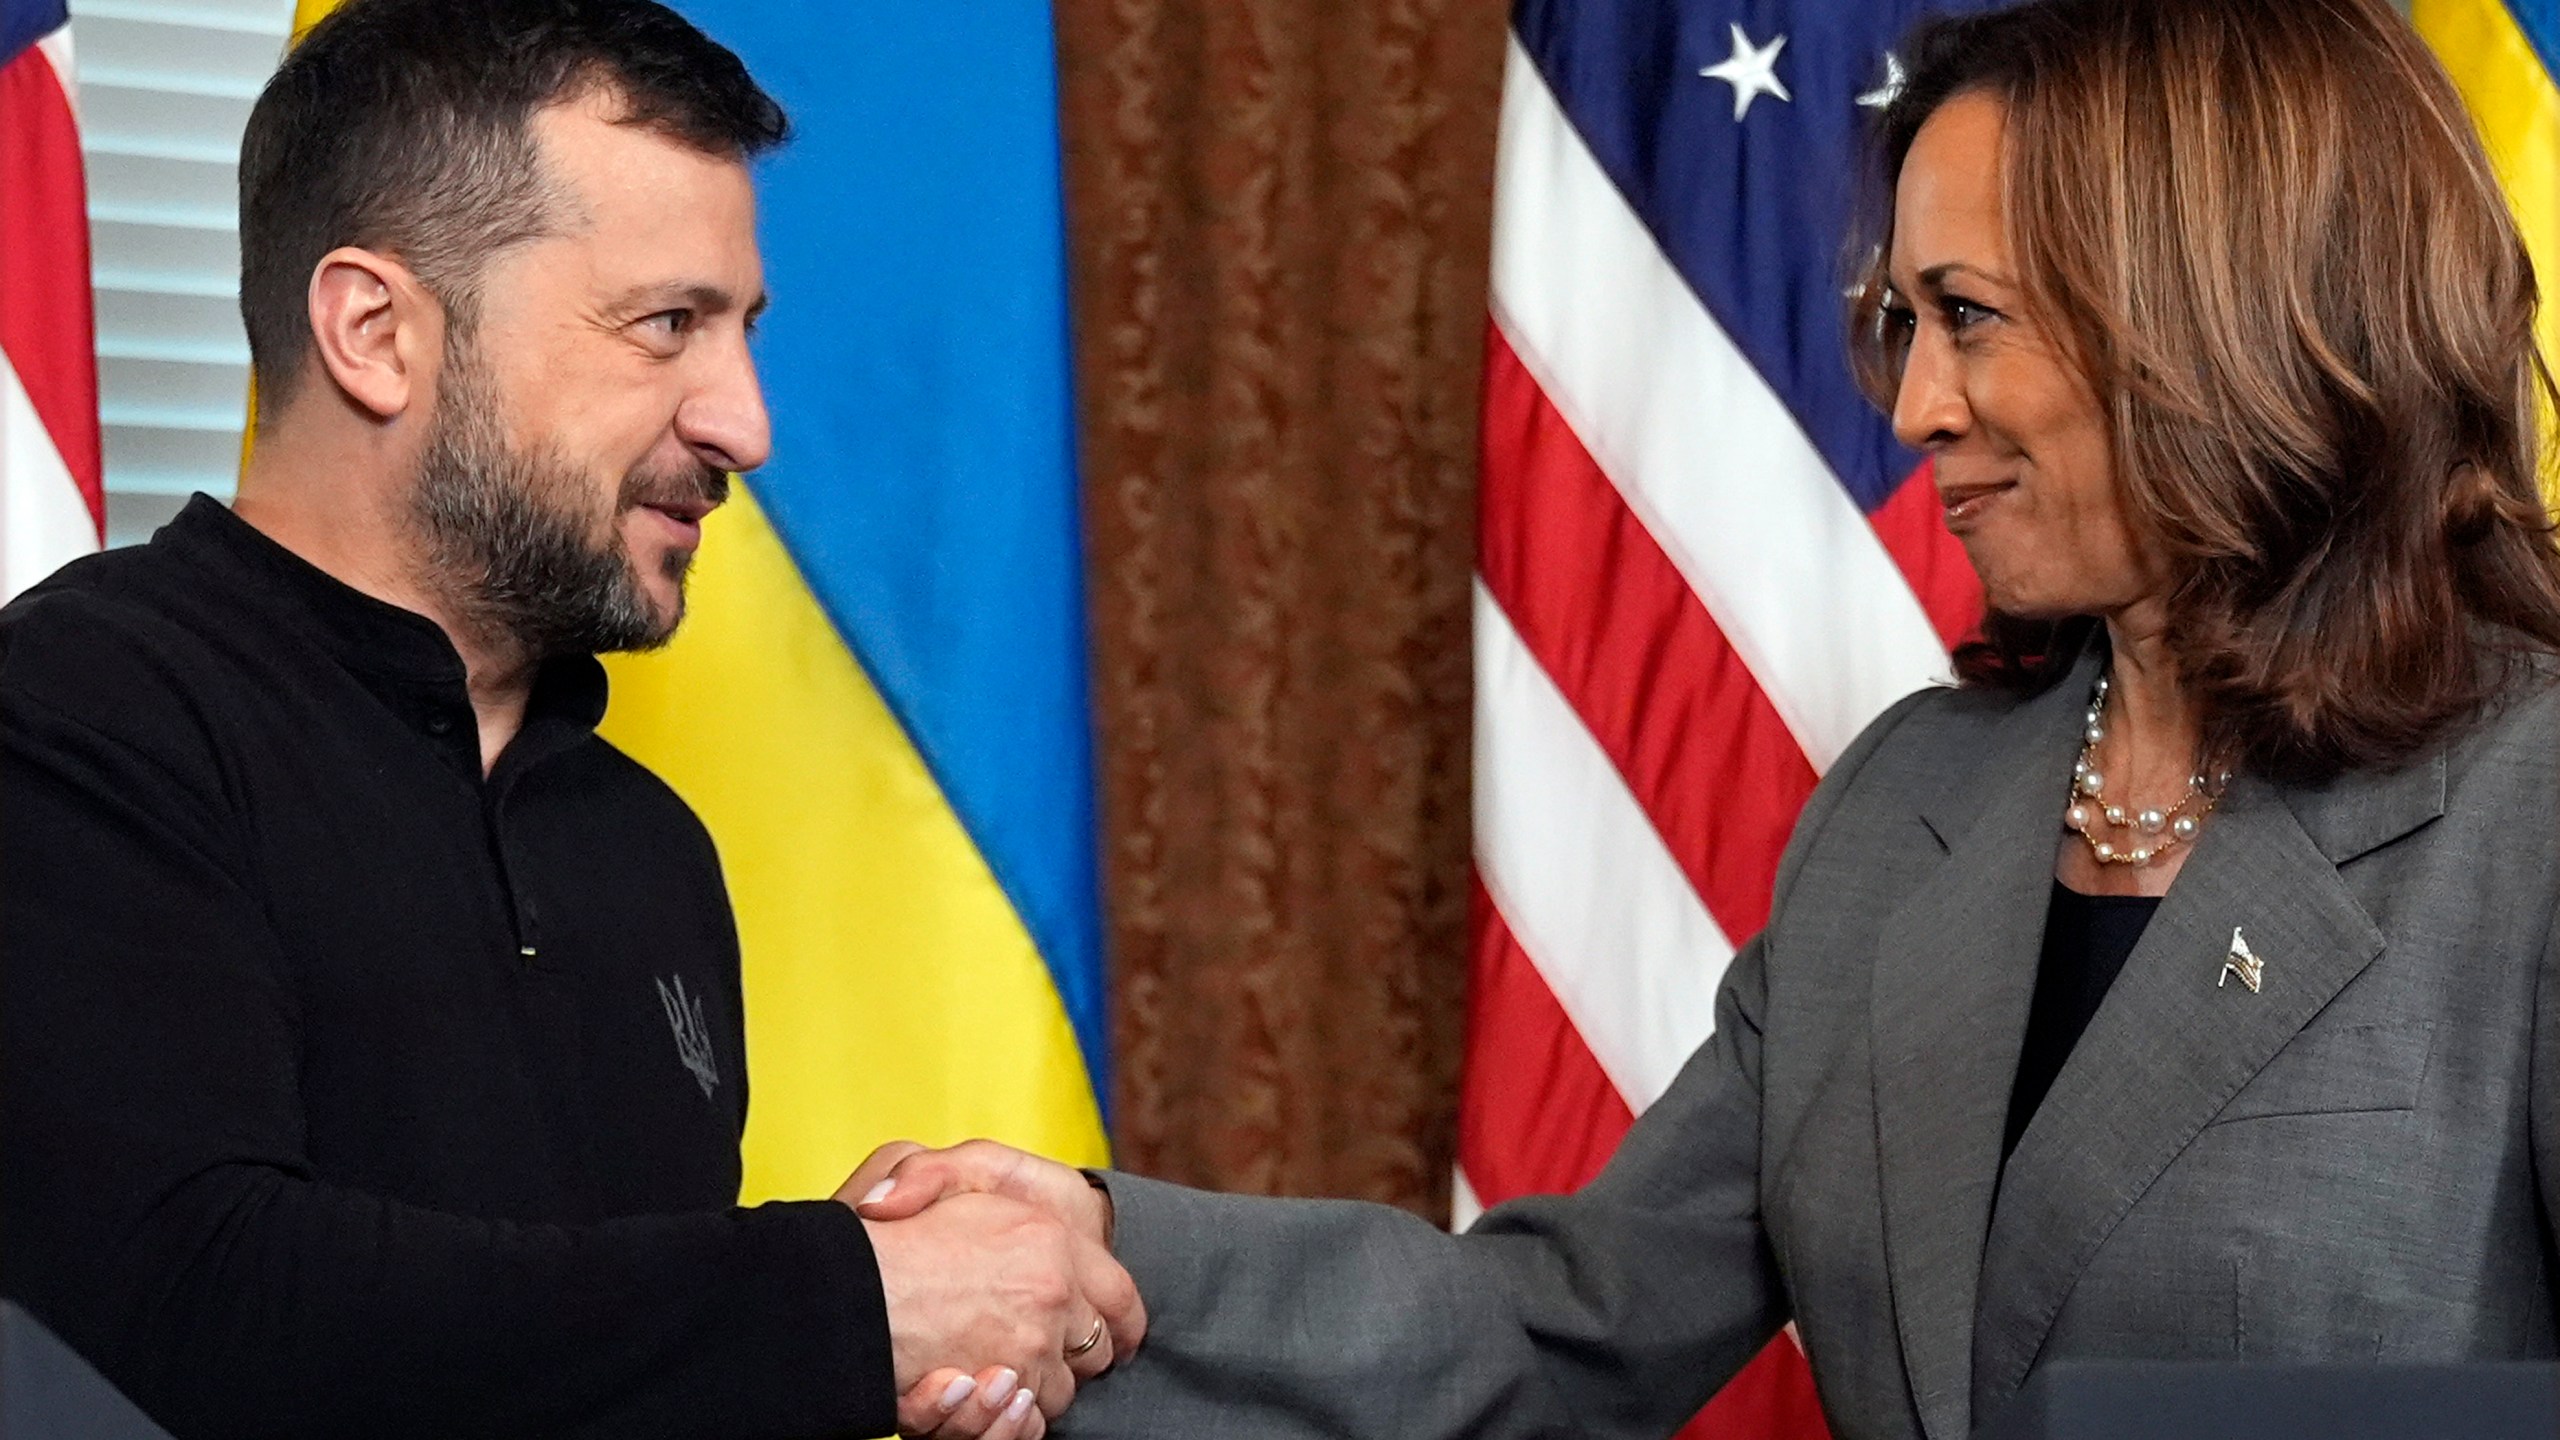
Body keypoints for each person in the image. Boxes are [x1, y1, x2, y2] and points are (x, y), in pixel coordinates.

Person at [852, 1, 2560, 1436]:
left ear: (2223, 315)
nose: (1911, 405)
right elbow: (1567, 1323)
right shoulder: (1912, 806)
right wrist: (1090, 1249)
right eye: (1905, 323)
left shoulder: (2526, 803)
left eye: (1967, 317)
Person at [0, 2, 1137, 1436]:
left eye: (740, 332)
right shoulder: (72, 719)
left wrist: (882, 1348)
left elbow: (605, 1366)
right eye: (669, 324)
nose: (743, 422)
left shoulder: (646, 846)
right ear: (375, 331)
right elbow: (181, 1314)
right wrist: (851, 1301)